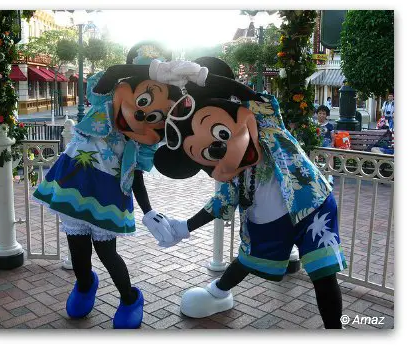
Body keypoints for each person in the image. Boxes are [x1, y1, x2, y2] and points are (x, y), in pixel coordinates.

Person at [154, 67, 346, 329]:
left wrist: (198, 76)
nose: (218, 147)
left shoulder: (266, 123)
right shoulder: (231, 174)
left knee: (324, 274)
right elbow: (220, 204)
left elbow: (249, 95)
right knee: (248, 258)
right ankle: (218, 292)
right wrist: (184, 227)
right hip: (268, 223)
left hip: (311, 205)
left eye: (221, 134)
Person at [32, 43, 188, 329]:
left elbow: (137, 173)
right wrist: (159, 70)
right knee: (78, 251)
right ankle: (84, 284)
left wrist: (148, 211)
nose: (142, 114)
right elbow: (115, 71)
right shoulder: (102, 101)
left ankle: (130, 298)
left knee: (106, 252)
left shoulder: (139, 139)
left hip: (106, 194)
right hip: (73, 185)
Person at [316, 105, 335, 186]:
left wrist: (332, 145)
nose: (322, 115)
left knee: (330, 154)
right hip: (316, 144)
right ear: (317, 114)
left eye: (324, 113)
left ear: (326, 115)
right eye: (320, 113)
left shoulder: (329, 125)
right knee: (313, 154)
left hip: (327, 143)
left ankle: (330, 176)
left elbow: (332, 137)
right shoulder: (313, 124)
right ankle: (315, 175)